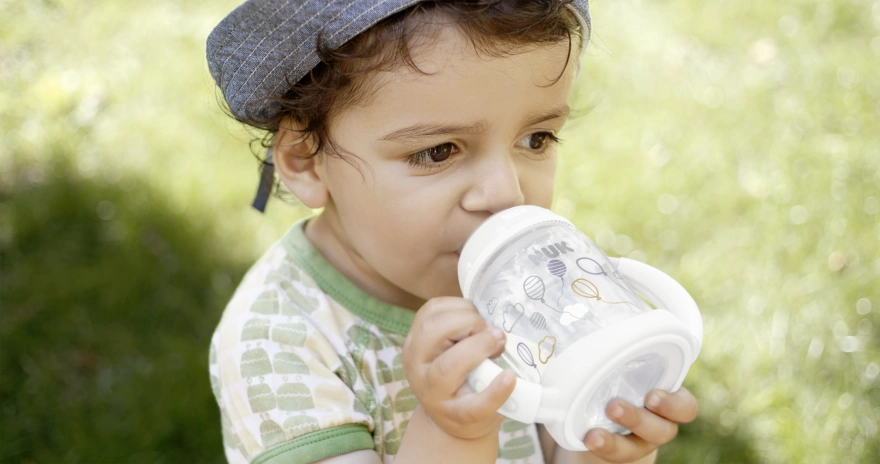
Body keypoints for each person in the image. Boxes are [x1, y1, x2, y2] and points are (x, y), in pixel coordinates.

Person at [205, 1, 699, 463]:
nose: (506, 194)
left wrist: (600, 434)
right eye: (439, 151)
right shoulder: (276, 345)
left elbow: (559, 440)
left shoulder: (530, 284)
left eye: (535, 138)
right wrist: (451, 433)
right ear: (307, 161)